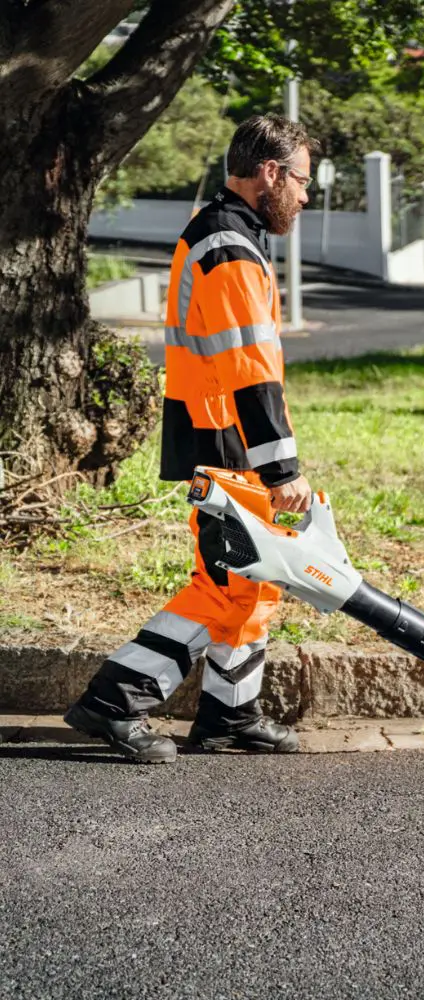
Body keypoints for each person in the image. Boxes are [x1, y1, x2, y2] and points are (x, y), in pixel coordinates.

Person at [64, 114, 319, 764]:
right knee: (225, 587)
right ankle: (114, 699)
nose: (305, 196)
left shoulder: (230, 234)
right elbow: (249, 368)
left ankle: (230, 716)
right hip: (226, 439)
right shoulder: (228, 245)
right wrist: (282, 468)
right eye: (302, 180)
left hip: (222, 436)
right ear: (270, 173)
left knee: (250, 581)